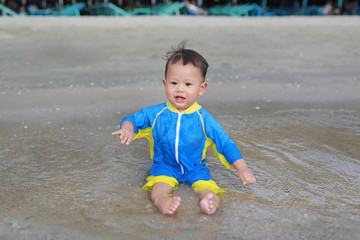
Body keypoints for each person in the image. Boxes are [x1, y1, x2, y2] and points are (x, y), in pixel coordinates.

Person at [112, 42, 256, 215]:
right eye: (173, 83)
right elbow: (133, 119)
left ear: (201, 88)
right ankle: (163, 201)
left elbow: (224, 142)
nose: (180, 89)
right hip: (165, 166)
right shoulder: (156, 113)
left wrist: (242, 168)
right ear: (165, 83)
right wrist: (128, 128)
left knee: (209, 189)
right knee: (158, 188)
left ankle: (208, 203)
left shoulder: (204, 119)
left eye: (188, 84)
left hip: (196, 167)